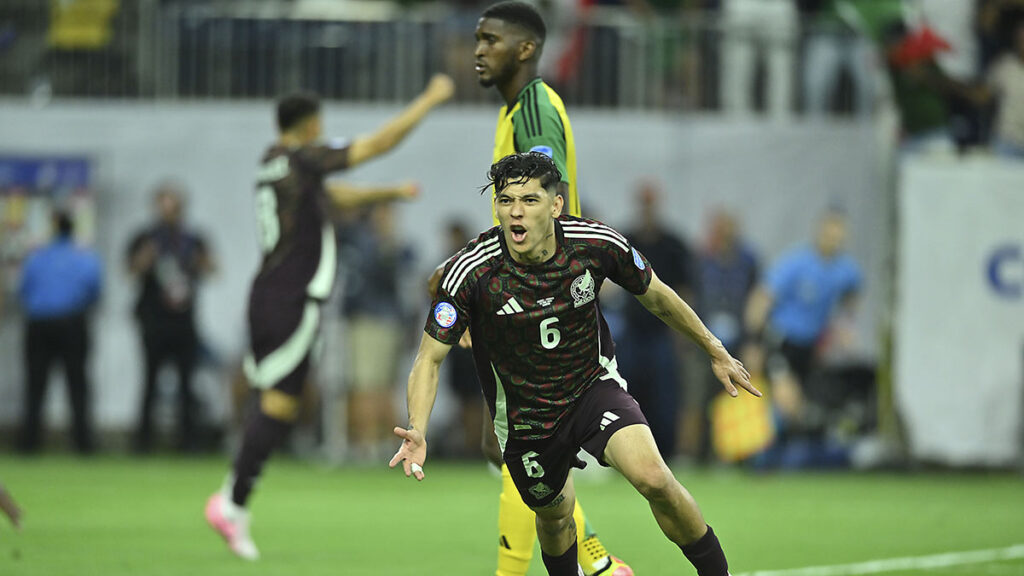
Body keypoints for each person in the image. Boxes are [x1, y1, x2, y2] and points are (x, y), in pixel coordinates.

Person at [391, 152, 759, 576]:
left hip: (591, 387)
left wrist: (714, 348)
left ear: (555, 205)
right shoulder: (473, 271)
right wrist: (417, 426)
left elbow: (656, 295)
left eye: (529, 200)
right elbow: (428, 359)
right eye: (506, 200)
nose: (516, 211)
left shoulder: (595, 244)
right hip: (525, 415)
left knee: (655, 478)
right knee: (555, 515)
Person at [204, 74, 455, 561]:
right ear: (311, 125)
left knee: (280, 401)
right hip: (289, 298)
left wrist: (388, 193)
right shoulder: (303, 156)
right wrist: (429, 98)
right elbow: (377, 143)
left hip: (272, 294)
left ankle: (235, 496)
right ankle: (232, 501)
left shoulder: (273, 164)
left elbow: (335, 198)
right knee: (279, 403)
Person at [473, 4, 629, 574]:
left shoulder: (534, 112)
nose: (478, 49)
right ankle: (598, 564)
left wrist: (484, 298)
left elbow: (537, 204)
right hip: (535, 303)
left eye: (491, 39)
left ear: (526, 49)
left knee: (522, 451)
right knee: (518, 453)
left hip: (540, 307)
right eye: (477, 38)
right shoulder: (518, 108)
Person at [743, 209, 860, 464]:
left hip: (810, 348)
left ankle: (775, 456)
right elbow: (761, 298)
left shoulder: (846, 270)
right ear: (819, 232)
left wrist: (845, 328)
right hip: (782, 341)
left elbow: (851, 298)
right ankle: (762, 457)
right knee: (787, 400)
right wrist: (753, 341)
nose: (833, 240)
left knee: (796, 407)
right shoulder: (797, 263)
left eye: (838, 235)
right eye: (829, 233)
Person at [126, 183, 214, 453]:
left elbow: (213, 269)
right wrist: (147, 257)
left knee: (187, 384)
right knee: (150, 382)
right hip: (154, 322)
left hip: (183, 322)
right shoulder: (145, 238)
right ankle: (143, 442)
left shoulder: (192, 239)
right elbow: (129, 272)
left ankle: (188, 442)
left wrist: (201, 262)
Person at [618, 181, 694, 460]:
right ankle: (629, 452)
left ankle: (667, 452)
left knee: (665, 396)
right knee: (626, 392)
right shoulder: (625, 240)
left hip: (662, 331)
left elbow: (684, 292)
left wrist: (683, 332)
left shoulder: (673, 245)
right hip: (632, 331)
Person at [17, 211, 102, 454]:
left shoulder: (36, 257)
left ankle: (29, 444)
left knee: (35, 385)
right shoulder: (85, 258)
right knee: (77, 385)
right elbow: (94, 291)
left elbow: (24, 290)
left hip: (39, 324)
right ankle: (83, 445)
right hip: (72, 323)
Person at [338, 203, 416, 461]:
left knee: (383, 385)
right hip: (370, 320)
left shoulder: (385, 244)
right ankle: (366, 445)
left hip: (386, 320)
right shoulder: (367, 242)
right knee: (366, 384)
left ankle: (381, 444)